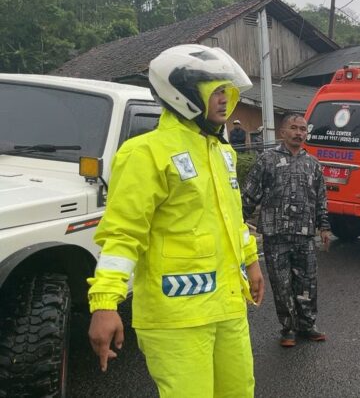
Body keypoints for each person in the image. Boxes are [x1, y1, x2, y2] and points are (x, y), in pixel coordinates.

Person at [86, 44, 265, 397]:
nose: (225, 99)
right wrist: (105, 302)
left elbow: (233, 219)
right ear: (182, 93)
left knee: (240, 391)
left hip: (228, 306)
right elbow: (122, 234)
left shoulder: (222, 151)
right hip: (176, 314)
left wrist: (252, 262)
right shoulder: (145, 152)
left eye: (227, 89)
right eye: (215, 89)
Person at [242, 113, 332, 347]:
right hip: (276, 235)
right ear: (282, 132)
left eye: (303, 129)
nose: (299, 133)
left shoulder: (313, 164)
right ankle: (288, 328)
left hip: (304, 235)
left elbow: (321, 199)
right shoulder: (267, 160)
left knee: (307, 281)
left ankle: (308, 324)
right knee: (281, 284)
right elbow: (249, 195)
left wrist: (324, 226)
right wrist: (237, 222)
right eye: (294, 128)